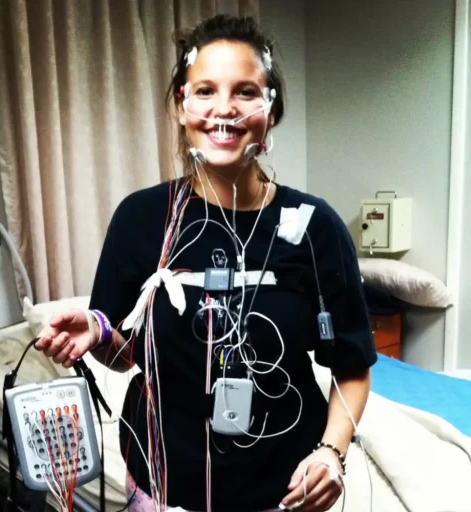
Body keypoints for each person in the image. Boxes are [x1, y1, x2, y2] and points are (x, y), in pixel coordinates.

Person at [34, 15, 375, 512]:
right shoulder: (141, 219)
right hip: (163, 480)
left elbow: (353, 366)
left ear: (271, 110)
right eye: (205, 91)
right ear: (181, 104)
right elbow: (123, 353)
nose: (223, 110)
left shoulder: (314, 225)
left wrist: (330, 454)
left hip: (285, 487)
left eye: (245, 92)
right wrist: (97, 332)